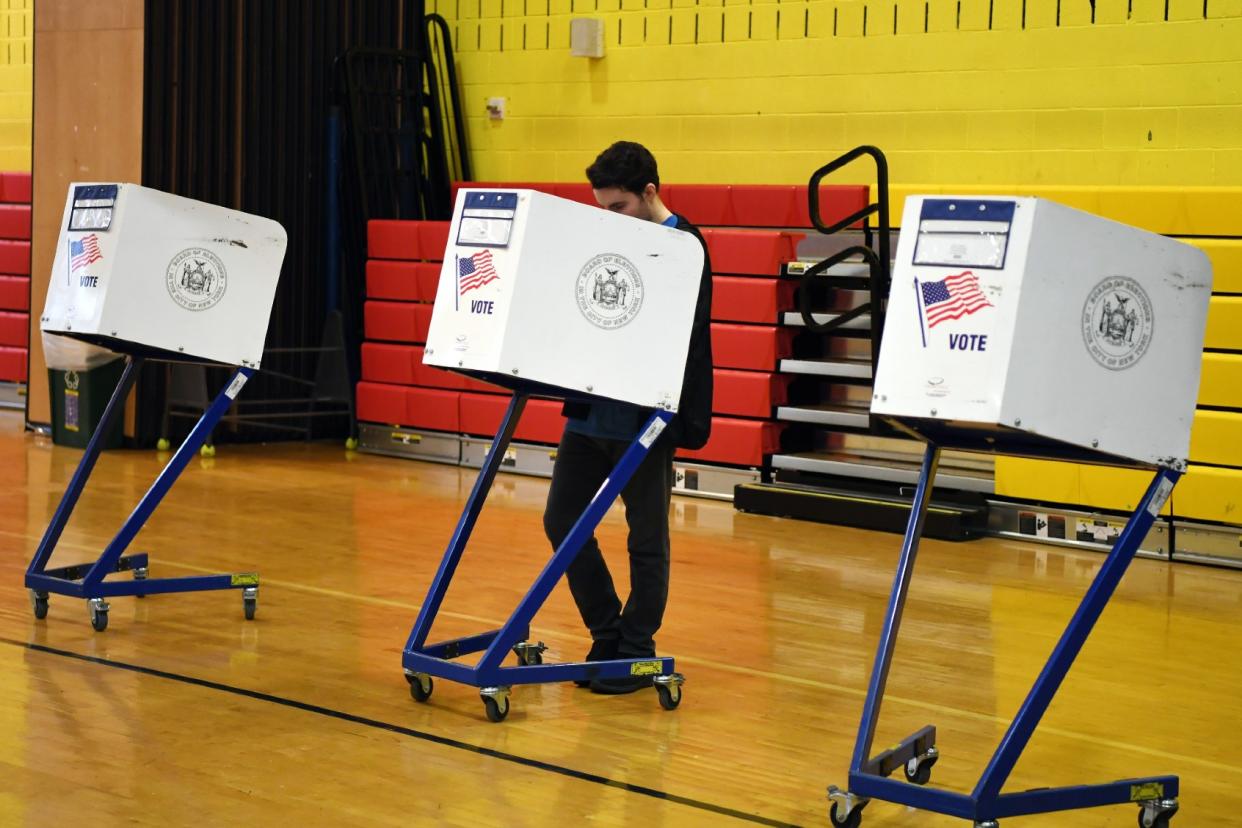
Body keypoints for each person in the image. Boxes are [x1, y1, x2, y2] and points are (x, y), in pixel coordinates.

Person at [542, 141, 713, 694]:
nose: (608, 219)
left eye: (617, 208)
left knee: (646, 538)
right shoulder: (606, 238)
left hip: (646, 417)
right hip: (592, 411)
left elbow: (679, 339)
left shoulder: (686, 246)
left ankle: (638, 648)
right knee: (561, 519)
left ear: (649, 193)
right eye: (600, 208)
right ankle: (607, 631)